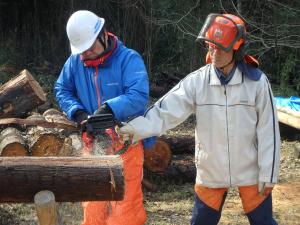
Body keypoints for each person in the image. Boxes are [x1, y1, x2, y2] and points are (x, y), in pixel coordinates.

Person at [120, 13, 281, 225]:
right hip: (211, 171)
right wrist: (132, 129)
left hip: (250, 169)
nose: (213, 52)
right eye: (210, 46)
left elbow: (269, 131)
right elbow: (165, 112)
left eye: (219, 47)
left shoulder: (257, 83)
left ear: (236, 47)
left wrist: (269, 174)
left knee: (264, 222)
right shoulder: (197, 82)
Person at [54, 10, 154, 225]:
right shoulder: (74, 62)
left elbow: (138, 96)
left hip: (126, 142)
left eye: (90, 48)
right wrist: (78, 113)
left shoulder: (129, 59)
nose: (85, 54)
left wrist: (108, 110)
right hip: (92, 145)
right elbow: (62, 89)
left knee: (125, 210)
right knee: (92, 207)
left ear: (104, 35)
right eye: (82, 51)